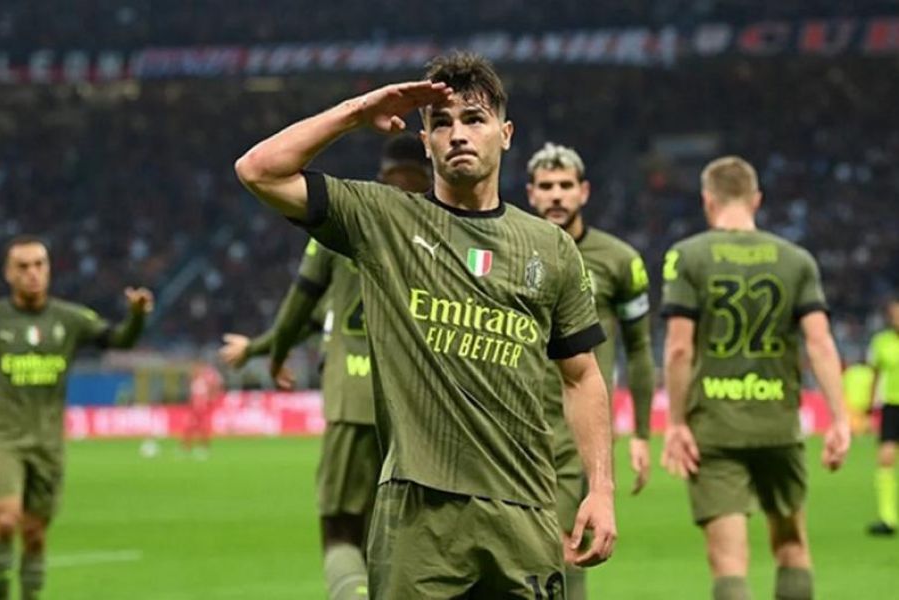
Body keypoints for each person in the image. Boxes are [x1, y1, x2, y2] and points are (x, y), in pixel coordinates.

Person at [234, 52, 617, 598]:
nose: (457, 134)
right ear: (425, 141)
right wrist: (358, 110)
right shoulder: (383, 219)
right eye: (441, 123)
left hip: (525, 511)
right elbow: (258, 170)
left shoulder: (550, 248)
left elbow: (582, 375)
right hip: (418, 515)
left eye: (474, 119)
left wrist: (601, 489)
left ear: (505, 134)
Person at [219, 133, 432, 600]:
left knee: (340, 531)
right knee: (392, 534)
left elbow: (300, 309)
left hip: (351, 399)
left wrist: (272, 355)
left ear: (383, 174)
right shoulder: (440, 228)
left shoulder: (349, 221)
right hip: (414, 406)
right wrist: (258, 348)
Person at [659, 156, 851, 600]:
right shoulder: (796, 260)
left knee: (729, 563)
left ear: (708, 200)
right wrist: (840, 418)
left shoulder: (688, 256)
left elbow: (679, 348)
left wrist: (676, 423)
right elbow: (820, 343)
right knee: (792, 546)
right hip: (778, 425)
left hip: (716, 427)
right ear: (756, 199)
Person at [526, 142, 655, 600]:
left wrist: (641, 433)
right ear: (531, 193)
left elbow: (639, 349)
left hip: (572, 425)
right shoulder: (510, 248)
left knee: (567, 545)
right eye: (546, 186)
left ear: (584, 191)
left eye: (565, 185)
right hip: (513, 418)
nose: (556, 195)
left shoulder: (620, 260)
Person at [0, 236, 153, 600]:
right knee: (5, 520)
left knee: (34, 534)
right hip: (4, 440)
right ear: (8, 273)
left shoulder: (69, 319)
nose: (32, 273)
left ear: (49, 270)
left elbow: (120, 341)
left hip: (48, 444)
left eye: (39, 265)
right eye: (23, 266)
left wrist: (136, 317)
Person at [866, 296, 899, 536]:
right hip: (892, 406)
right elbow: (875, 374)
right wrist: (870, 404)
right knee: (886, 458)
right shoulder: (881, 342)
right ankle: (888, 518)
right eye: (895, 315)